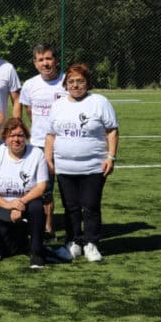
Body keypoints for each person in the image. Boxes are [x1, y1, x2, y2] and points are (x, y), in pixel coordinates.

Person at [45, 63, 119, 262]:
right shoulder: (58, 105)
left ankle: (91, 243)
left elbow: (111, 130)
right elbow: (51, 135)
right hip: (64, 167)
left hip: (93, 167)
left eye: (80, 81)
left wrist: (111, 157)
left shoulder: (99, 102)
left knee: (90, 205)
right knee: (71, 207)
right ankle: (73, 242)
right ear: (65, 84)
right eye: (71, 81)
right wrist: (48, 160)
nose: (75, 85)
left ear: (87, 83)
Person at [0, 118, 48, 268]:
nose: (16, 139)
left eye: (20, 135)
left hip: (24, 210)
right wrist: (8, 205)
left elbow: (41, 186)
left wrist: (20, 203)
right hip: (1, 213)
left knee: (37, 206)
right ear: (5, 137)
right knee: (8, 250)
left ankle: (37, 253)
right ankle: (22, 240)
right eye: (12, 135)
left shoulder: (36, 154)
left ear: (26, 137)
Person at [16, 44, 68, 239]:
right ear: (35, 63)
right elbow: (29, 112)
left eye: (48, 59)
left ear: (55, 60)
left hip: (65, 143)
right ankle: (46, 227)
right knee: (42, 187)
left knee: (66, 187)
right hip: (38, 143)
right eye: (41, 60)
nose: (45, 63)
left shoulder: (66, 81)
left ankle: (64, 227)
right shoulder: (29, 85)